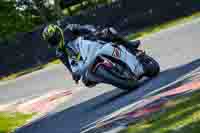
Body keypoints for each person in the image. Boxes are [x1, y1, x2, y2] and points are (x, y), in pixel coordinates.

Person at [42, 23, 144, 87]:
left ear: (58, 33)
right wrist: (74, 75)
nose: (54, 41)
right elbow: (68, 65)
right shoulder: (59, 52)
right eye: (51, 41)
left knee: (108, 32)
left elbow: (85, 27)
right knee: (86, 81)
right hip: (84, 61)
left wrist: (95, 31)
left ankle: (131, 46)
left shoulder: (69, 29)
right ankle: (112, 75)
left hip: (91, 42)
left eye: (54, 38)